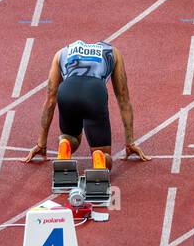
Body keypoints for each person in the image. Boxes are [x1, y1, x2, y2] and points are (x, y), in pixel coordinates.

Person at [23, 39, 149, 167]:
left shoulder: (61, 53)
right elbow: (123, 99)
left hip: (67, 90)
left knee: (71, 137)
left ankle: (64, 144)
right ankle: (100, 158)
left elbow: (50, 101)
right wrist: (130, 142)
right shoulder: (113, 52)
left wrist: (41, 143)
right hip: (94, 92)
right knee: (104, 156)